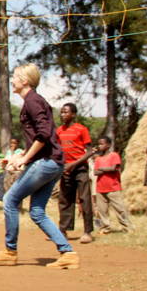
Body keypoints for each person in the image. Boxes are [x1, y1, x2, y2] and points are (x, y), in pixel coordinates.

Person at [0, 63, 78, 269]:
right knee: (36, 211)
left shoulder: (32, 102)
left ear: (25, 81)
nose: (12, 80)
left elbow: (43, 135)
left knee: (9, 199)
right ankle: (68, 253)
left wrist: (25, 159)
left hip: (46, 162)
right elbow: (43, 136)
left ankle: (10, 251)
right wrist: (19, 157)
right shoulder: (34, 101)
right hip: (53, 162)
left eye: (15, 77)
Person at [56, 102, 95, 244]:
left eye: (66, 112)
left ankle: (87, 231)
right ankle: (63, 230)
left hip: (80, 169)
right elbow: (57, 150)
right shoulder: (59, 131)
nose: (63, 115)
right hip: (66, 169)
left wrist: (74, 164)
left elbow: (90, 151)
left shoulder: (81, 129)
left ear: (73, 114)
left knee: (84, 199)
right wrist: (63, 166)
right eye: (61, 112)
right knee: (65, 200)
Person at [93, 136, 132, 234]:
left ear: (109, 145)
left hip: (113, 187)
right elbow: (95, 172)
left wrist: (102, 169)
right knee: (102, 210)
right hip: (100, 188)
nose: (100, 146)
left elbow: (114, 168)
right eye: (99, 144)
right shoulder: (98, 159)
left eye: (102, 144)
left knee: (120, 209)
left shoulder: (114, 155)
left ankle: (127, 227)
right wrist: (106, 169)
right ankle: (105, 227)